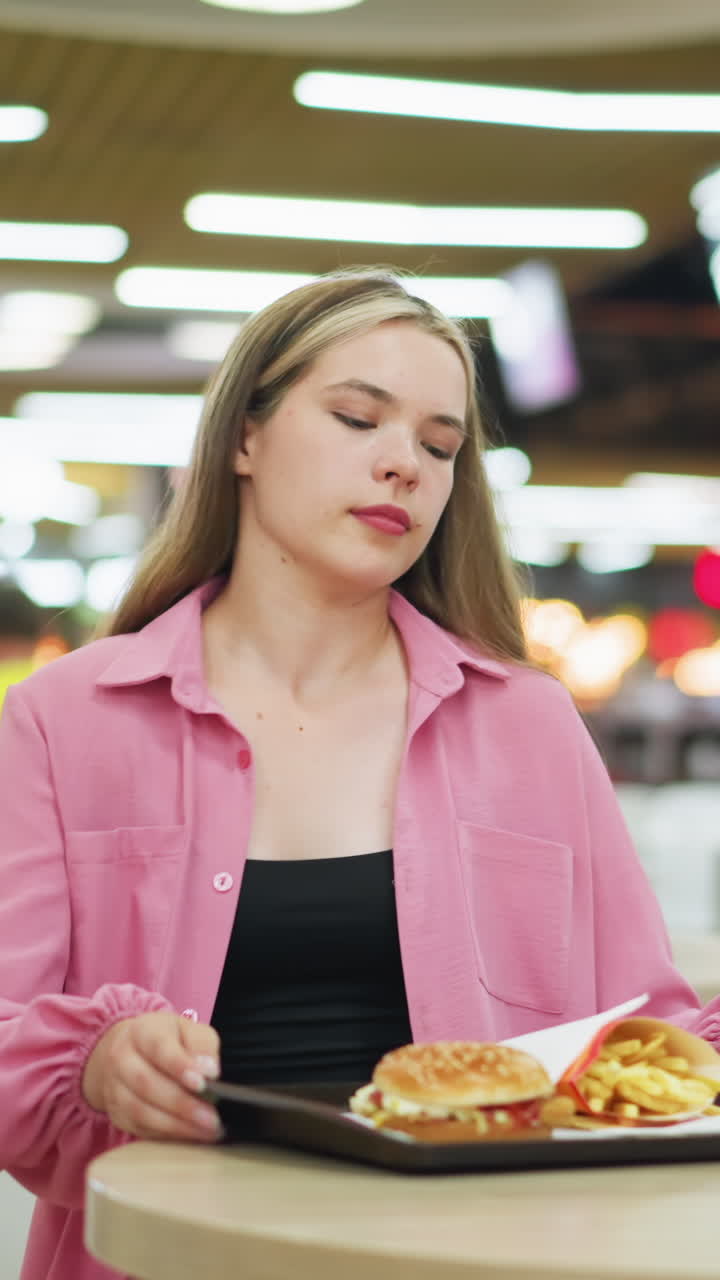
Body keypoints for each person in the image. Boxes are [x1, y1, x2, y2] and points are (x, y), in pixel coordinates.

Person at [0, 268, 718, 1280]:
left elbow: (655, 1032)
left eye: (438, 445)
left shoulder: (529, 723)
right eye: (355, 417)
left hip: (480, 1256)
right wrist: (93, 1062)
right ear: (243, 436)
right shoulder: (65, 721)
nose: (404, 465)